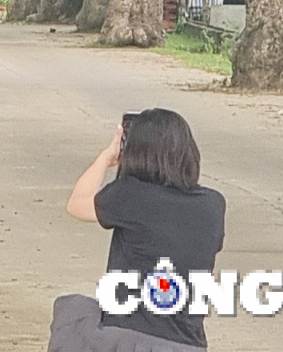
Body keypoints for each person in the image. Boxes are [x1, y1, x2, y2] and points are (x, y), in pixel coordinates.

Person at [50, 109, 226, 352]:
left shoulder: (128, 194)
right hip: (187, 344)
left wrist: (106, 157)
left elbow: (77, 204)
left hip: (126, 340)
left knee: (73, 311)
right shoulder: (213, 204)